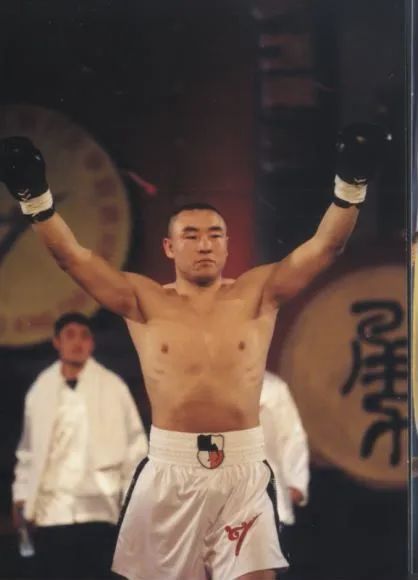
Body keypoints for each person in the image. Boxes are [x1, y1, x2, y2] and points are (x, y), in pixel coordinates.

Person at [0, 124, 386, 580]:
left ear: (226, 243)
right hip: (170, 468)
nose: (205, 243)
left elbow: (326, 246)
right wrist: (36, 199)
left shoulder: (258, 293)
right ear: (169, 247)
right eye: (191, 235)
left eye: (215, 234)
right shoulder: (142, 299)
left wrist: (350, 188)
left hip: (242, 470)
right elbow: (73, 257)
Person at [11, 312, 148, 580]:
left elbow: (135, 448)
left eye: (84, 336)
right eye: (70, 335)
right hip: (52, 510)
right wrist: (21, 496)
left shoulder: (113, 386)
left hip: (101, 507)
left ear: (92, 343)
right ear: (56, 342)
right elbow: (28, 452)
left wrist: (133, 502)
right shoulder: (41, 389)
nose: (77, 342)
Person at [260, 371, 309, 528]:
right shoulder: (203, 383)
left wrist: (295, 482)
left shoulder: (272, 386)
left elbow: (291, 435)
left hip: (268, 496)